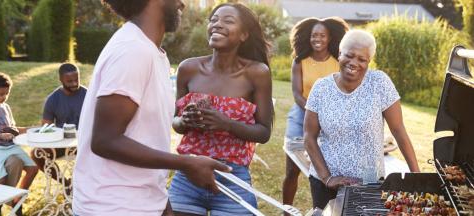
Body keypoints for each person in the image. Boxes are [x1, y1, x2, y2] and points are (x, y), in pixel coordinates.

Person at [71, 0, 233, 215]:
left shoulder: (151, 52)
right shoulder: (132, 50)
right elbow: (105, 140)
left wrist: (160, 202)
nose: (182, 4)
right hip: (113, 206)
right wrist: (187, 163)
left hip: (140, 201)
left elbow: (144, 137)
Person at [168, 3, 273, 216]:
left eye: (228, 21)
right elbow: (175, 123)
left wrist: (227, 124)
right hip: (188, 175)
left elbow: (263, 133)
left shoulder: (257, 73)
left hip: (233, 178)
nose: (217, 24)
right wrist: (184, 121)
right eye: (214, 19)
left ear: (243, 35)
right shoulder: (188, 68)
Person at [303, 29, 421, 209]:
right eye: (349, 55)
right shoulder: (321, 88)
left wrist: (416, 177)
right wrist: (327, 178)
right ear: (340, 53)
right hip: (326, 182)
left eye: (362, 59)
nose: (354, 63)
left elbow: (398, 130)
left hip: (369, 180)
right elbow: (308, 136)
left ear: (369, 61)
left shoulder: (379, 83)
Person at [282, 17, 348, 214]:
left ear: (329, 39)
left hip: (331, 121)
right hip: (300, 118)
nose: (317, 39)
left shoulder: (338, 62)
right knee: (292, 172)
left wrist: (329, 117)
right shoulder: (300, 61)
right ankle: (286, 210)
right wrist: (316, 112)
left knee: (322, 171)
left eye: (322, 35)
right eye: (313, 35)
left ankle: (320, 211)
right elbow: (296, 94)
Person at [30, 62, 86, 188]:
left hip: (84, 142)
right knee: (36, 153)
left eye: (76, 80)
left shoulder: (87, 95)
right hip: (62, 143)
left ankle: (81, 186)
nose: (74, 84)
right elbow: (46, 128)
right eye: (69, 81)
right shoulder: (53, 99)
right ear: (60, 79)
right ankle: (66, 184)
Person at [0, 72, 38, 216]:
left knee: (33, 168)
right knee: (1, 179)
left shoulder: (6, 107)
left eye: (7, 94)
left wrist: (32, 129)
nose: (4, 97)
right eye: (1, 94)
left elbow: (13, 129)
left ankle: (15, 199)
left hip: (11, 146)